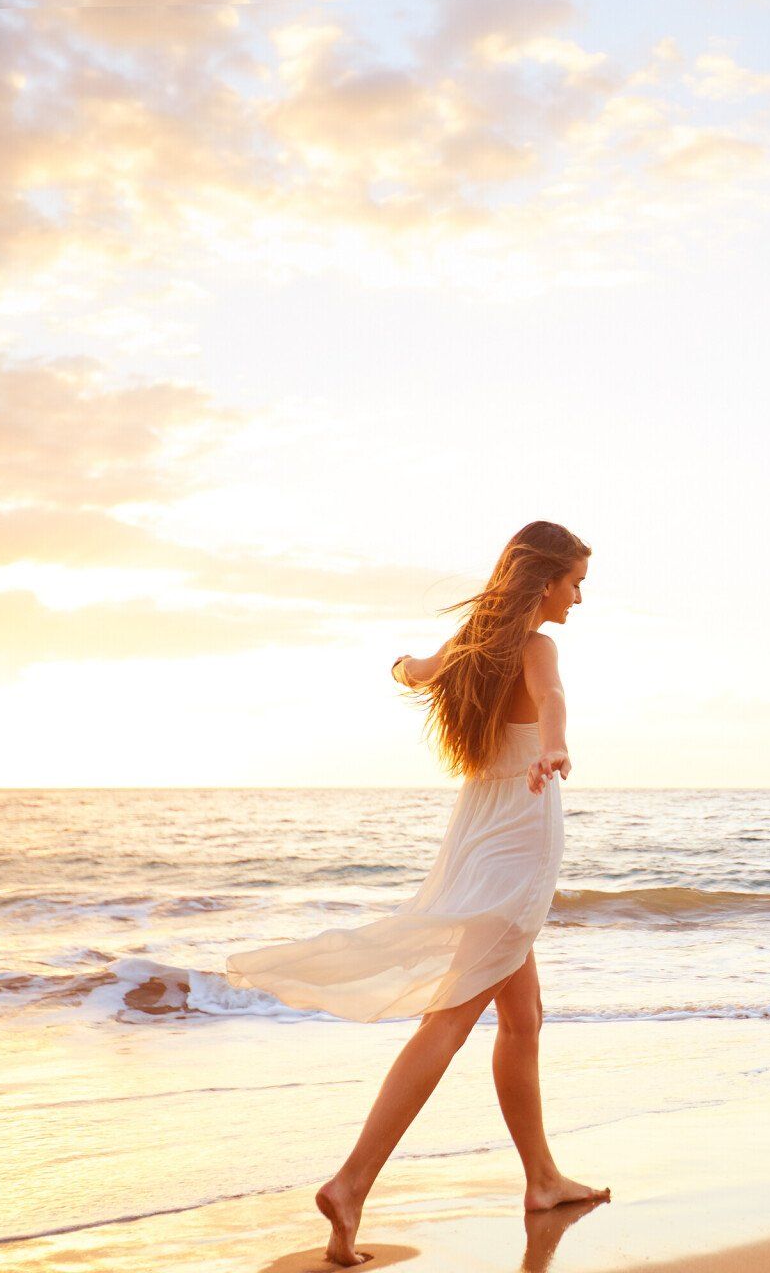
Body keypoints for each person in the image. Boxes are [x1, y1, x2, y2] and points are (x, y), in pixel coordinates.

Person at [223, 520, 606, 1267]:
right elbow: (551, 698)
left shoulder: (471, 650)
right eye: (574, 582)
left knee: (522, 1016)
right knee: (451, 1019)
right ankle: (351, 1182)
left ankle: (542, 1179)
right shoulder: (535, 648)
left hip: (475, 845)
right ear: (542, 581)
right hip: (514, 858)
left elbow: (417, 671)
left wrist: (400, 666)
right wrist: (555, 744)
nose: (579, 598)